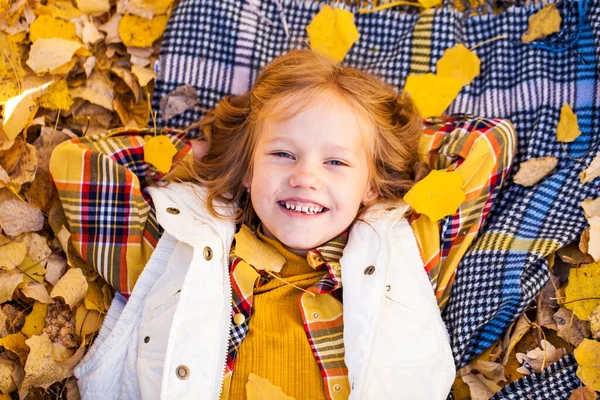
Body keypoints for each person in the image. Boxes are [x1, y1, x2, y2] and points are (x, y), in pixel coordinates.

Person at [49, 50, 516, 399]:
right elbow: (78, 161)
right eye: (282, 154)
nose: (305, 176)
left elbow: (489, 143)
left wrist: (380, 146)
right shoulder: (181, 240)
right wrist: (220, 154)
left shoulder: (403, 244)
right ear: (249, 168)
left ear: (371, 185)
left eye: (336, 161)